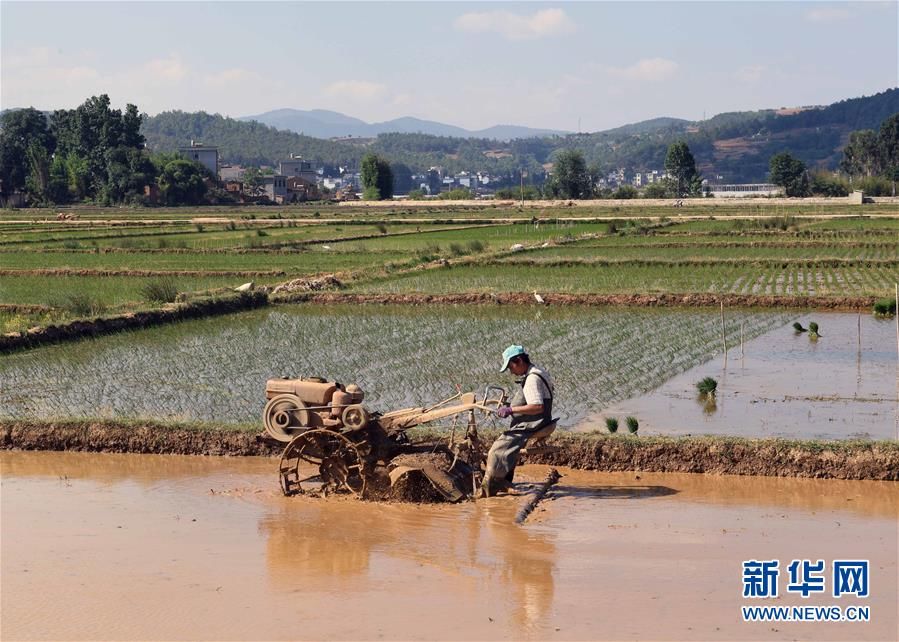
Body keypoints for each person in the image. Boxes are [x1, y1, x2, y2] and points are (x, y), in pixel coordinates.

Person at [481, 345, 555, 496]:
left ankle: (494, 484)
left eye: (510, 367)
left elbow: (537, 406)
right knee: (510, 449)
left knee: (496, 450)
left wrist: (511, 410)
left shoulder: (532, 379)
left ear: (519, 361)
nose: (511, 371)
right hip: (537, 420)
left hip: (534, 422)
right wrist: (510, 406)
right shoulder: (536, 371)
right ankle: (505, 481)